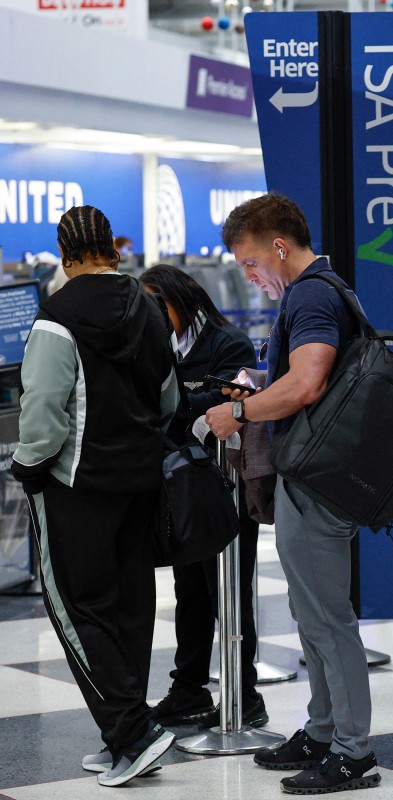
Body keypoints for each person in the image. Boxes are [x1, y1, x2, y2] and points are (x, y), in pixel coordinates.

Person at [205, 194, 380, 795]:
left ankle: (353, 751)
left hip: (317, 480)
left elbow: (307, 384)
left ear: (279, 247)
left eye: (252, 263)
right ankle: (323, 730)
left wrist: (239, 411)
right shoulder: (325, 290)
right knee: (311, 615)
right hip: (317, 473)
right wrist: (259, 384)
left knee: (327, 618)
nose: (250, 277)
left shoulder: (310, 295)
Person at [12, 205, 179, 787]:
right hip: (142, 480)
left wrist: (27, 465)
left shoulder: (56, 317)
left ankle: (134, 734)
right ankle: (124, 737)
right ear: (112, 247)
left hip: (76, 486)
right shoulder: (149, 307)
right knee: (131, 604)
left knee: (79, 608)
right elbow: (167, 394)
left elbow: (43, 410)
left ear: (65, 255)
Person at [139, 265, 266, 730]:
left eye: (157, 305)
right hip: (180, 485)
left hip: (224, 485)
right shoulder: (155, 345)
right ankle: (188, 688)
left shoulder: (227, 343)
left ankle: (244, 693)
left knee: (228, 589)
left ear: (178, 298)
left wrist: (185, 405)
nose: (151, 315)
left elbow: (233, 403)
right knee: (189, 588)